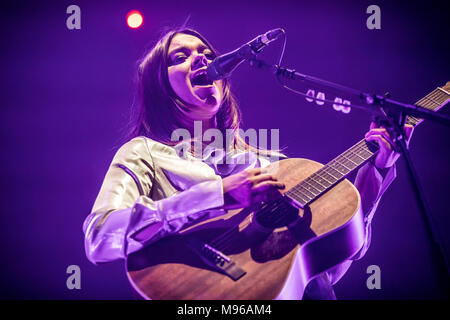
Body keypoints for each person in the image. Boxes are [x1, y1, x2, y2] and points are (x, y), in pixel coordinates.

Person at [83, 28, 413, 299]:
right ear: (160, 85)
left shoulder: (271, 164)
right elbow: (99, 237)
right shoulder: (144, 152)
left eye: (208, 54)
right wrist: (217, 195)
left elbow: (317, 273)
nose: (202, 57)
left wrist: (377, 171)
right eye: (180, 57)